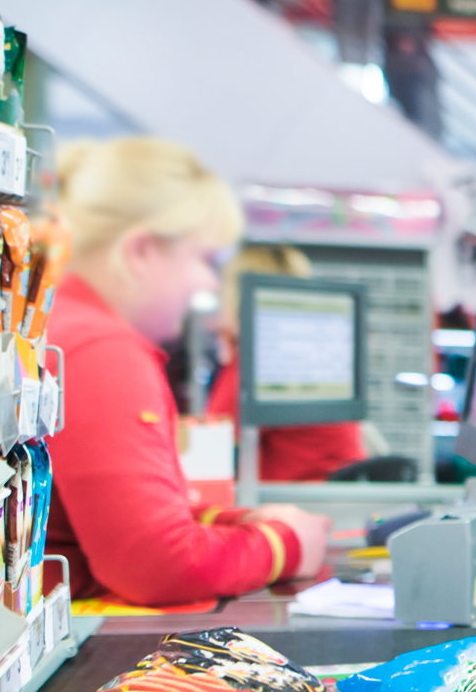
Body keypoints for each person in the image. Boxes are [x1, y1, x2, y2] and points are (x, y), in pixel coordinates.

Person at [44, 138, 332, 606]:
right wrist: (286, 545)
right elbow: (157, 563)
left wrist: (239, 524)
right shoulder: (102, 352)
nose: (207, 284)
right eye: (202, 260)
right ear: (139, 251)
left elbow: (129, 517)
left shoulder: (67, 327)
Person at [206, 244, 369, 482]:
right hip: (333, 498)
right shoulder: (318, 356)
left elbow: (210, 444)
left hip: (294, 504)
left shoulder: (258, 363)